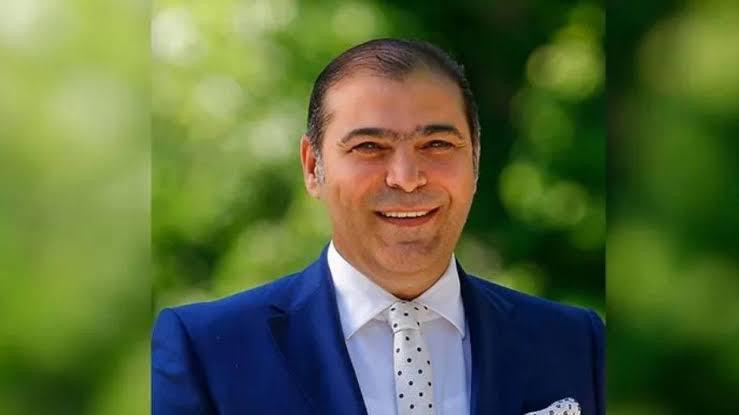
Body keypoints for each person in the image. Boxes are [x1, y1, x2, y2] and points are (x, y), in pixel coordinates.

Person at [152, 38, 604, 415]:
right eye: (369, 146)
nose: (406, 177)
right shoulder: (205, 352)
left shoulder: (576, 343)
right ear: (312, 167)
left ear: (476, 160)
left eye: (437, 144)